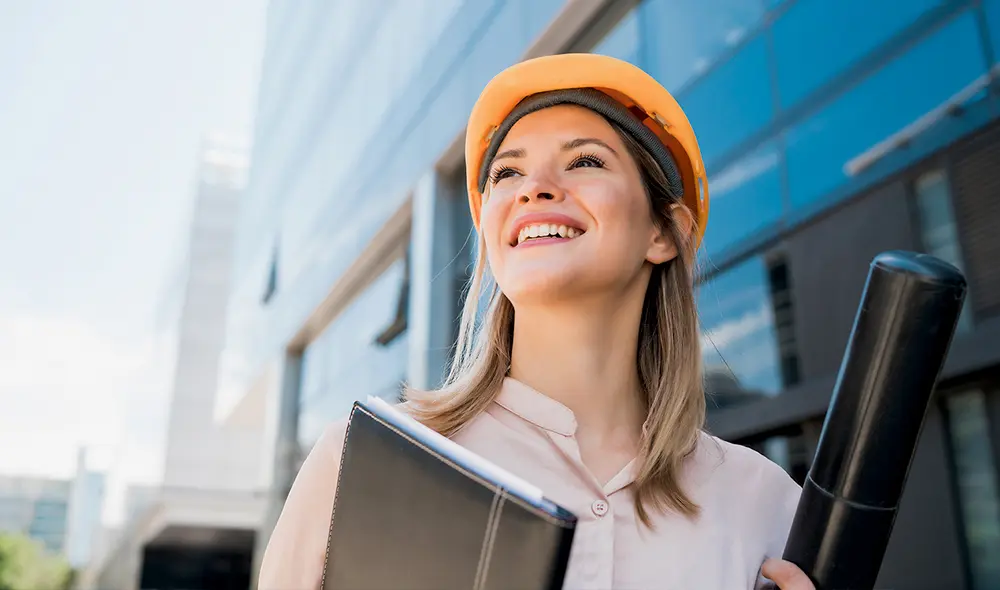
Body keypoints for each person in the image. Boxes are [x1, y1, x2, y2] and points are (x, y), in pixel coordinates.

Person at [258, 53, 813, 590]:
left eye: (586, 161)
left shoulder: (765, 504)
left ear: (663, 234)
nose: (534, 187)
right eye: (507, 172)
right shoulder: (358, 466)